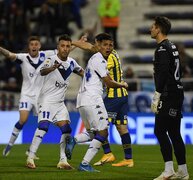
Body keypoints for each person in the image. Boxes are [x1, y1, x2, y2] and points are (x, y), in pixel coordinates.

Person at [67, 33, 133, 168]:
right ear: (99, 45)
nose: (107, 47)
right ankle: (125, 158)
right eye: (104, 45)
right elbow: (108, 81)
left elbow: (90, 48)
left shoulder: (104, 56)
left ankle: (111, 154)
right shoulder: (103, 57)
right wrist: (73, 42)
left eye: (110, 45)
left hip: (111, 95)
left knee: (101, 130)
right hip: (114, 94)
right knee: (116, 128)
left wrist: (73, 43)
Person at [26, 34, 84, 169]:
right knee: (44, 127)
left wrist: (93, 76)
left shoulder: (72, 62)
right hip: (46, 100)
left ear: (70, 48)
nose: (65, 48)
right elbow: (42, 71)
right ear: (58, 47)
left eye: (68, 46)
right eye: (62, 46)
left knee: (67, 129)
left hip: (59, 103)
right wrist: (52, 68)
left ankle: (62, 161)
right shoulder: (51, 60)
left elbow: (82, 72)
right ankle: (30, 157)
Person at [1, 36, 57, 158]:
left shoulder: (46, 55)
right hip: (26, 95)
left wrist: (77, 44)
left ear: (39, 46)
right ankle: (10, 144)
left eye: (36, 44)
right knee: (23, 120)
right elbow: (10, 55)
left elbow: (63, 51)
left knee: (43, 124)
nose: (34, 46)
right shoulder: (23, 58)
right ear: (29, 47)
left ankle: (30, 150)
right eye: (32, 44)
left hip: (40, 97)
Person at [150, 16, 189, 180]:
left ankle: (168, 170)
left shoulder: (162, 49)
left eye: (153, 26)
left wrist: (157, 94)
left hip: (168, 94)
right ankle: (183, 171)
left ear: (158, 29)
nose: (151, 29)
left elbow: (164, 73)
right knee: (174, 132)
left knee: (159, 130)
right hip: (176, 93)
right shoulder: (171, 46)